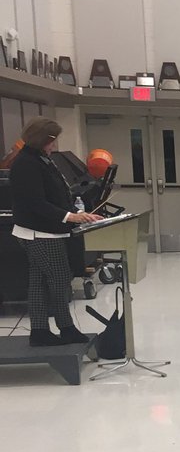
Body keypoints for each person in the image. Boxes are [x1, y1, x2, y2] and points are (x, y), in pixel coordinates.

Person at [9, 117, 102, 346]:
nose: (55, 145)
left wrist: (78, 213)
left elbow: (55, 193)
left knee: (39, 283)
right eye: (52, 140)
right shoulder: (26, 164)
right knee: (60, 280)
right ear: (43, 139)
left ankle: (40, 331)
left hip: (47, 231)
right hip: (40, 233)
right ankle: (66, 328)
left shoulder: (41, 159)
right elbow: (35, 202)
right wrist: (70, 216)